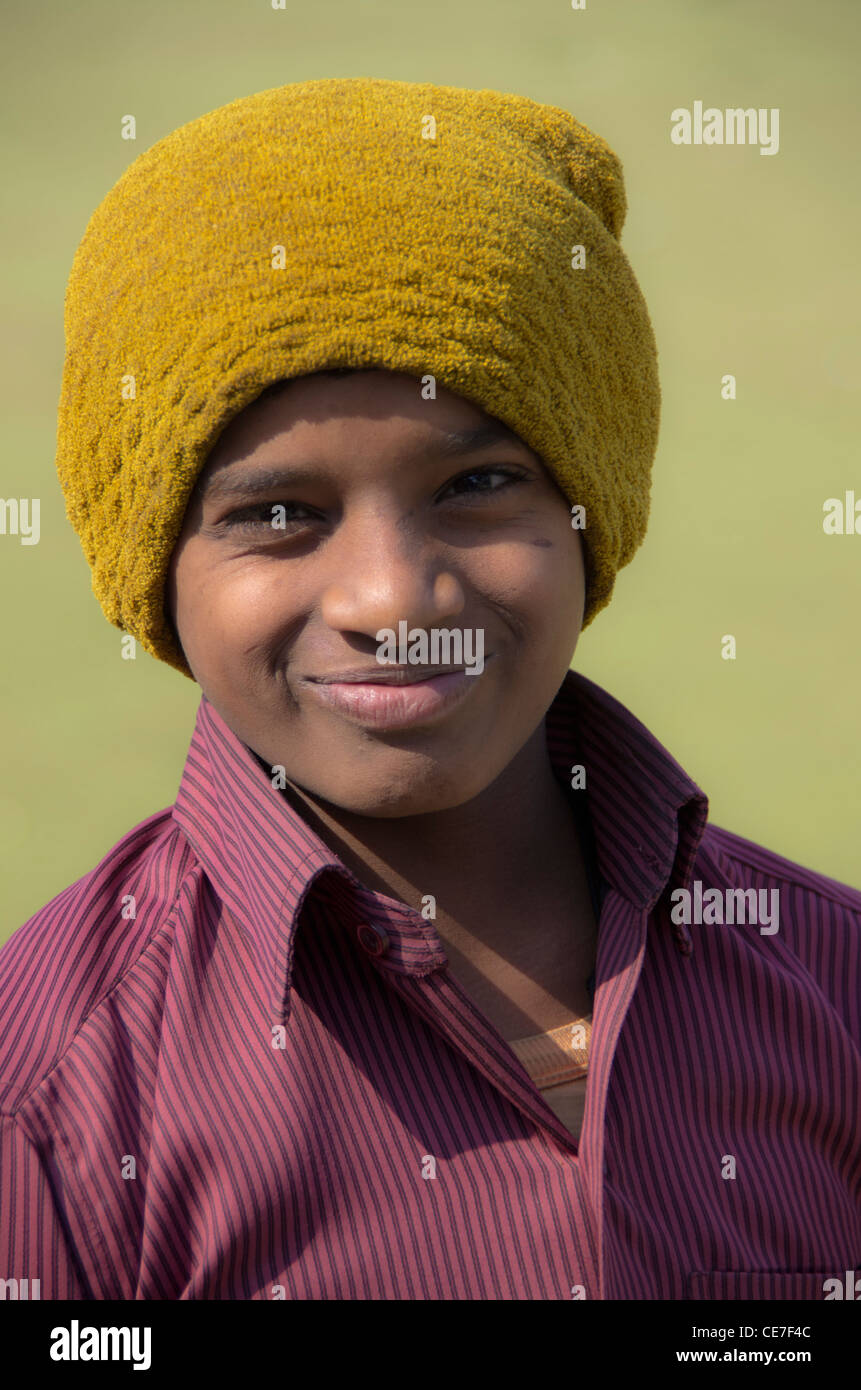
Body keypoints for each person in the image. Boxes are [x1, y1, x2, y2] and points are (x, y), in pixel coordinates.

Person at [1, 77, 858, 1302]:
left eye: (476, 487)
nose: (392, 599)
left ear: (592, 511)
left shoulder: (832, 986)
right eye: (278, 513)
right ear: (153, 570)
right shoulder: (51, 1100)